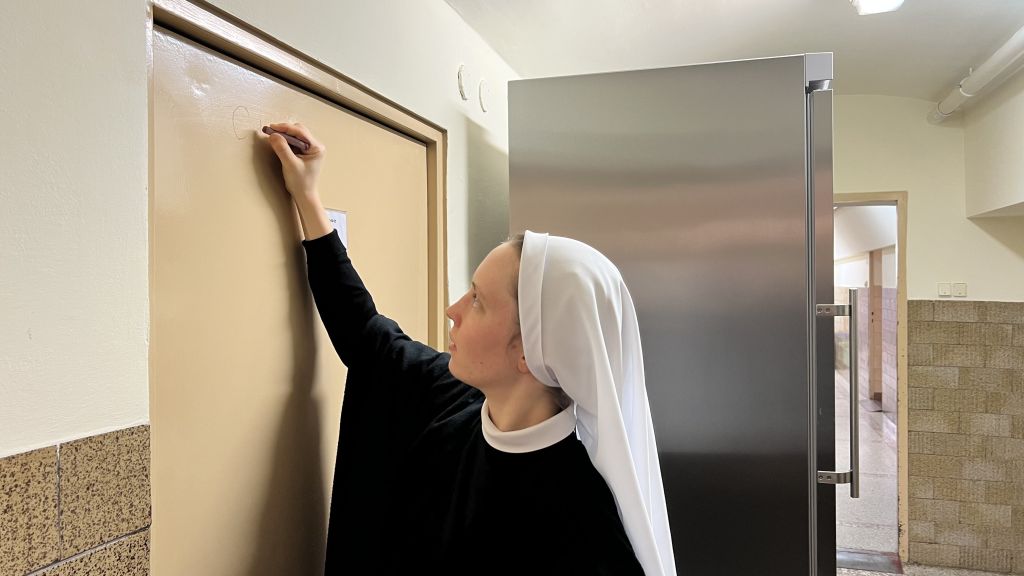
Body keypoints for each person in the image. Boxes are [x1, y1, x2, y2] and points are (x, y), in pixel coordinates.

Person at [263, 123, 676, 575]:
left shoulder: (584, 530)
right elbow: (364, 331)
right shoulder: (448, 395)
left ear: (530, 352)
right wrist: (307, 195)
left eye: (478, 300)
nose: (453, 310)